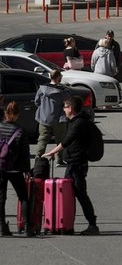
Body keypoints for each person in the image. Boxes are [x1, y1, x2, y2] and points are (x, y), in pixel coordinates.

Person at [43, 95, 100, 235]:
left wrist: (51, 153)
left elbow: (67, 141)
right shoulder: (74, 121)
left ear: (71, 108)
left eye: (65, 107)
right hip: (73, 164)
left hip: (77, 164)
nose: (63, 110)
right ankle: (67, 223)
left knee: (80, 194)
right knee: (69, 194)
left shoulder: (79, 123)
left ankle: (92, 224)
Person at [0, 101, 31, 236]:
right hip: (15, 168)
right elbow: (25, 152)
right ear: (18, 115)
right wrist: (27, 169)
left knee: (1, 198)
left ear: (5, 113)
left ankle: (2, 227)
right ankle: (27, 227)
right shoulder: (20, 131)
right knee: (23, 196)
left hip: (0, 167)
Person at [34, 69, 70, 158]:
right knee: (60, 140)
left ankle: (39, 157)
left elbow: (37, 102)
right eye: (61, 76)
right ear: (58, 77)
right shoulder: (63, 91)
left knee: (42, 139)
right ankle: (60, 159)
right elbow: (67, 103)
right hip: (59, 119)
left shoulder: (42, 89)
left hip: (44, 118)